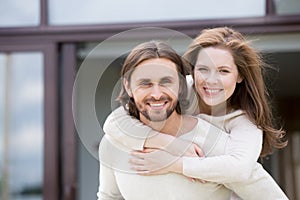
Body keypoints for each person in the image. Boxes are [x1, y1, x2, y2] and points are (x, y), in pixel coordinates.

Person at [102, 27, 288, 199]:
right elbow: (114, 122)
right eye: (203, 69)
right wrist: (171, 144)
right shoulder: (186, 88)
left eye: (223, 71)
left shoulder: (239, 126)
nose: (211, 81)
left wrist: (175, 163)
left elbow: (242, 170)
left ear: (240, 75)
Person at [97, 40, 233, 199]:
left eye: (166, 82)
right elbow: (109, 197)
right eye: (145, 83)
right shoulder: (112, 143)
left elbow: (260, 189)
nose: (156, 94)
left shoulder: (213, 140)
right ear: (128, 87)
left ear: (181, 85)